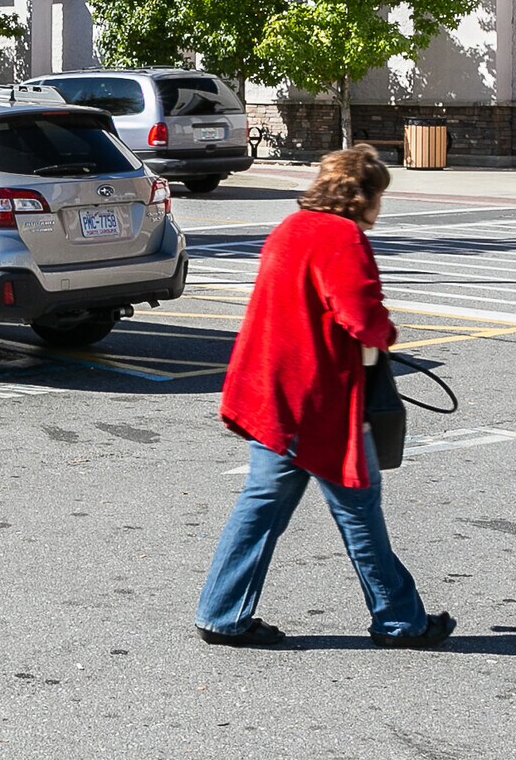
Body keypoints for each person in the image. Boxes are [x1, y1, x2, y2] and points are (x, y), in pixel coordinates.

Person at [194, 145, 455, 650]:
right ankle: (400, 620)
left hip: (272, 391)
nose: (380, 207)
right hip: (317, 399)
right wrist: (387, 332)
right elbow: (361, 317)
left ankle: (221, 611)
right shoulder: (342, 236)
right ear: (362, 196)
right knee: (359, 509)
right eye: (378, 196)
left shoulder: (291, 227)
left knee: (262, 505)